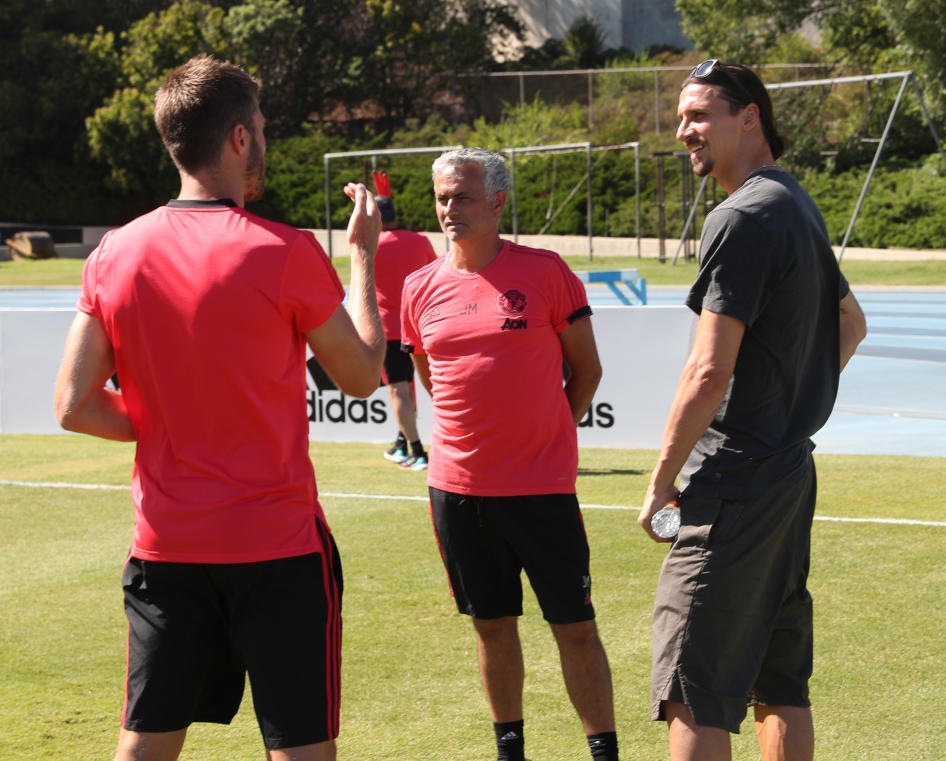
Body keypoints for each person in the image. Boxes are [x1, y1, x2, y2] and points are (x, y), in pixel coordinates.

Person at [53, 55, 385, 761]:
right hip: (277, 548)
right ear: (238, 139)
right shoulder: (284, 251)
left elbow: (73, 406)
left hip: (166, 546)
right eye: (260, 126)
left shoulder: (115, 253)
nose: (263, 139)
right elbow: (361, 375)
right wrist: (362, 259)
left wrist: (167, 423)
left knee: (144, 746)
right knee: (300, 748)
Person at [638, 60, 868, 761]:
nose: (684, 131)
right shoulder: (795, 202)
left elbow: (709, 369)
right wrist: (788, 401)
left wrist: (660, 480)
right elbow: (851, 324)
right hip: (787, 474)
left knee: (696, 687)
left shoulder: (740, 215)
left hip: (734, 479)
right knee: (779, 680)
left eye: (699, 115)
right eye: (681, 118)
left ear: (750, 117)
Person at [401, 147, 619, 761]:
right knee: (491, 626)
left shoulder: (547, 273)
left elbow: (587, 370)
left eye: (462, 197)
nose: (449, 209)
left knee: (575, 628)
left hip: (541, 490)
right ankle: (511, 751)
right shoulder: (419, 287)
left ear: (497, 202)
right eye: (442, 197)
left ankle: (604, 751)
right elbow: (429, 372)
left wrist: (548, 432)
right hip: (458, 491)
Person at [373, 181, 437, 470]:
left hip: (389, 328)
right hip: (422, 325)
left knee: (398, 389)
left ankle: (417, 450)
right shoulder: (421, 241)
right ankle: (403, 441)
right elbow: (435, 277)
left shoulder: (370, 245)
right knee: (415, 387)